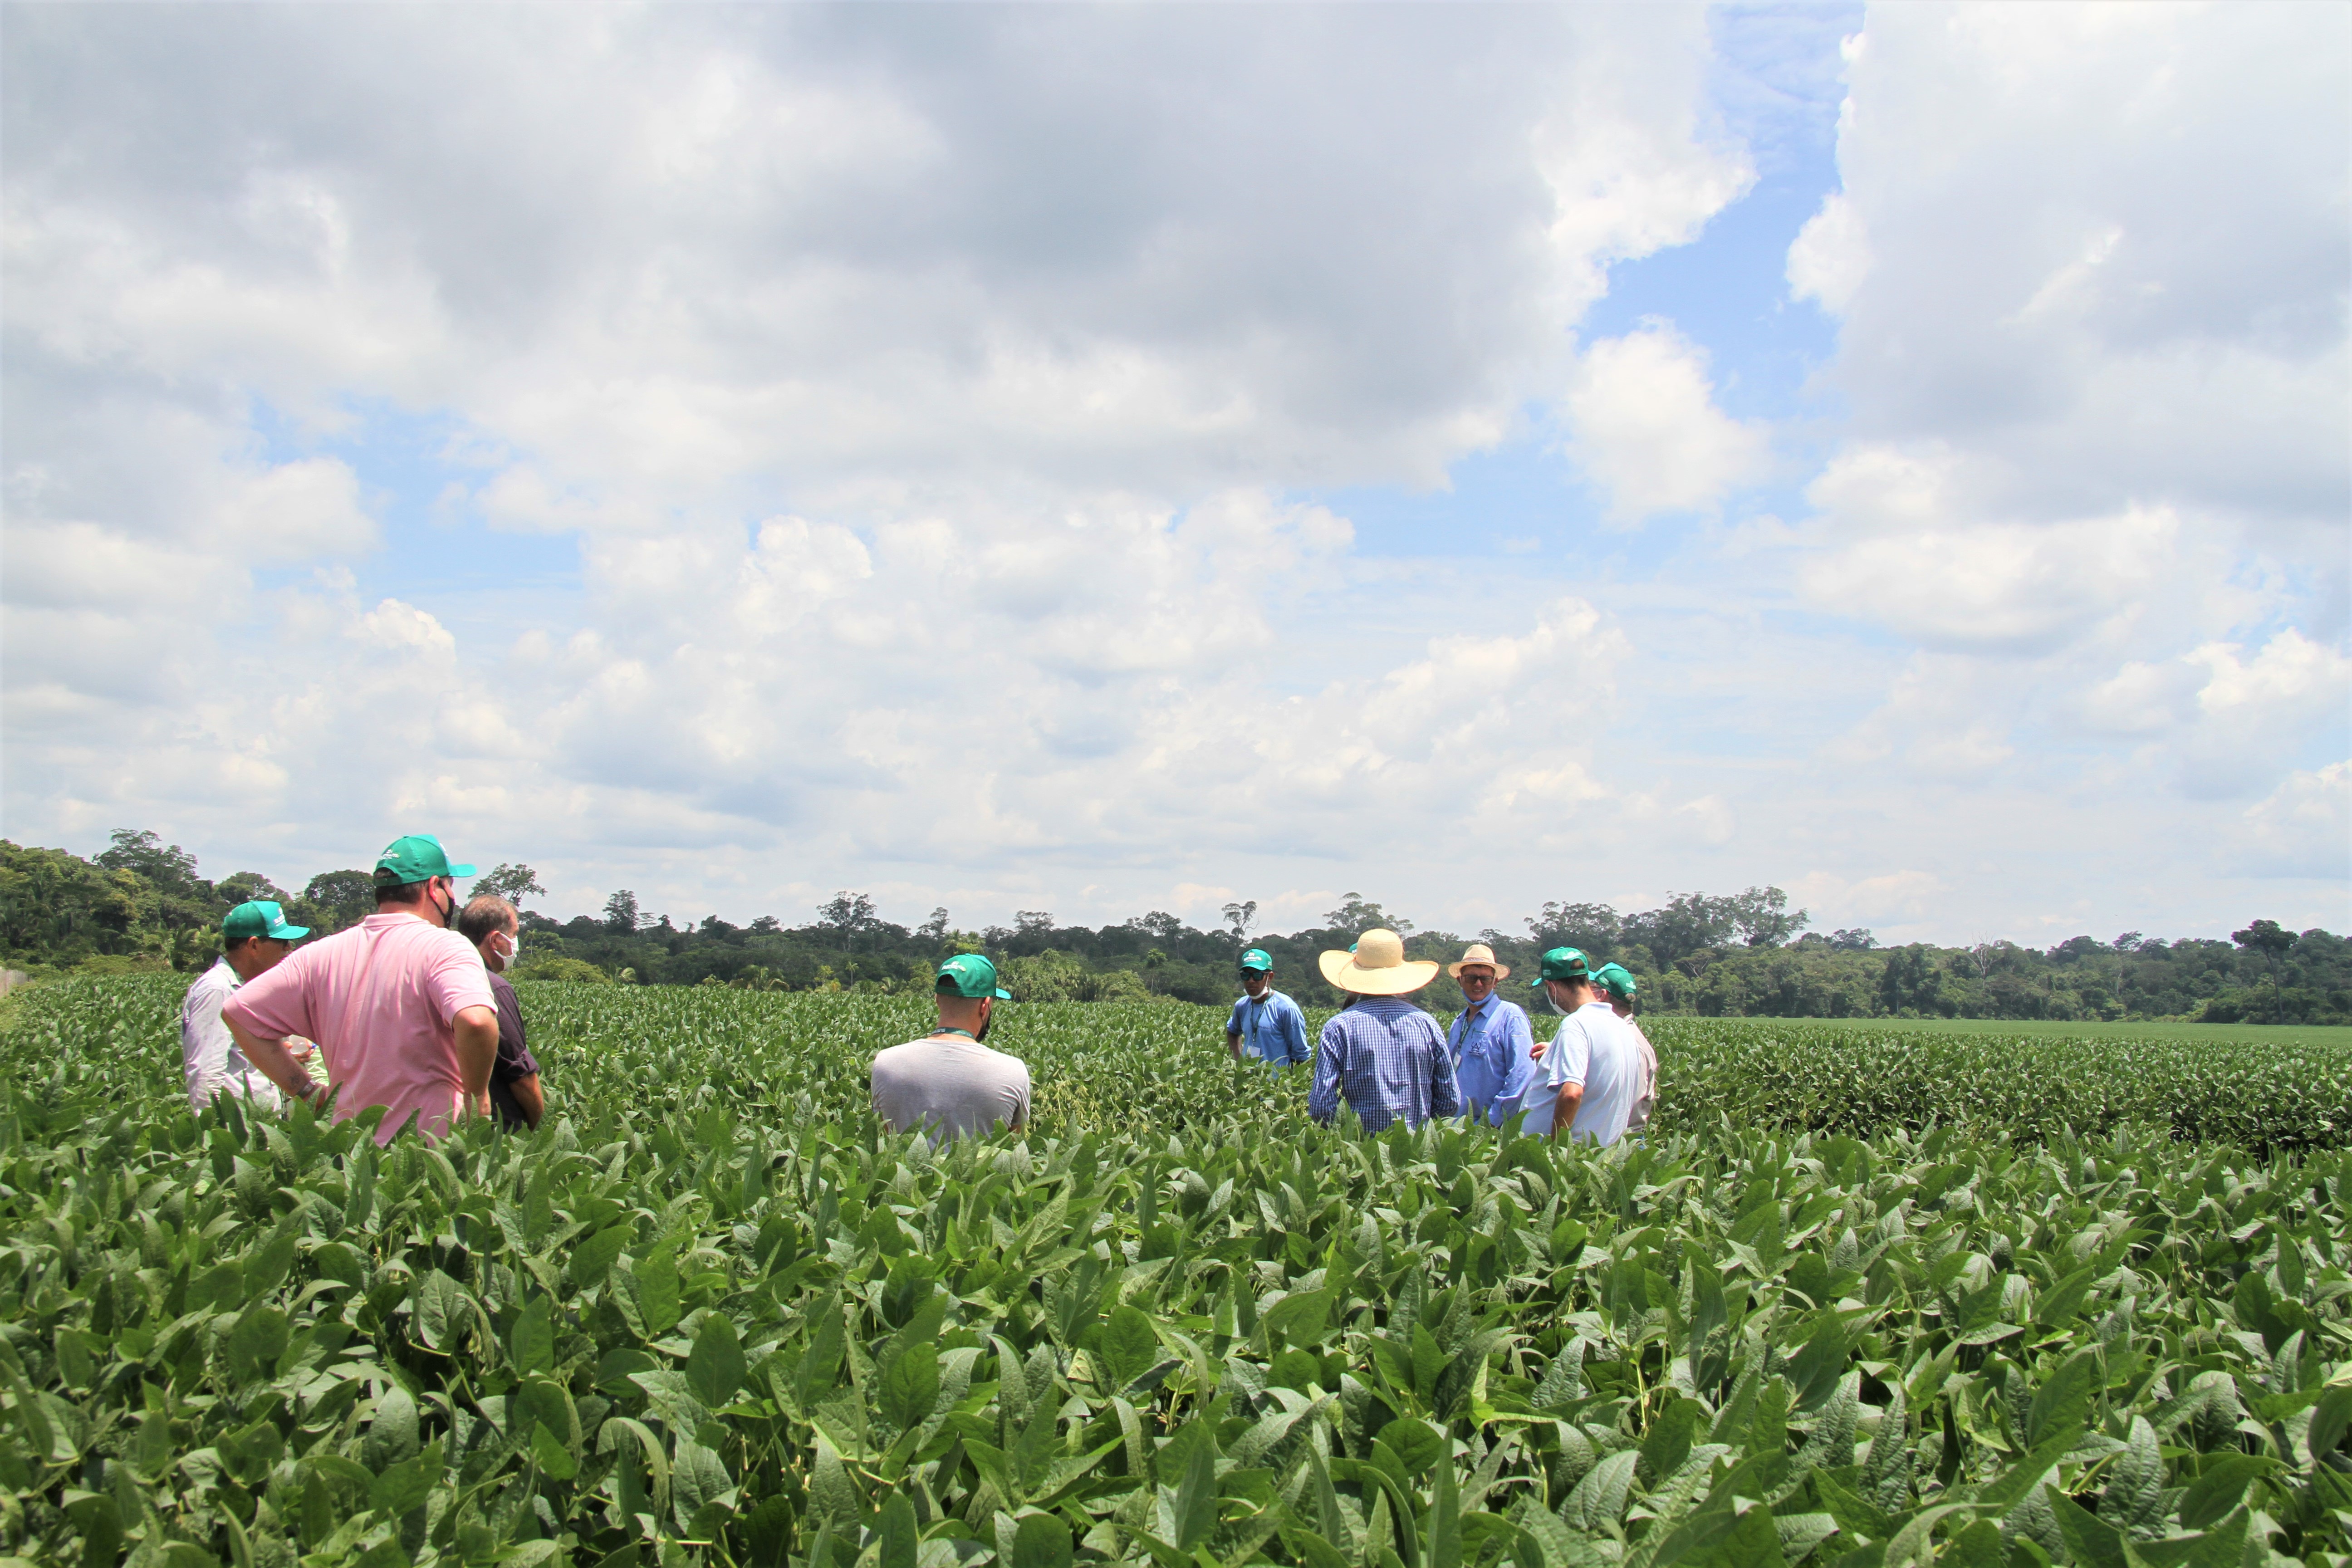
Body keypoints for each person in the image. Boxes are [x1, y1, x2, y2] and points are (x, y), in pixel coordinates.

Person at [222, 834, 500, 1144]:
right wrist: (478, 1098)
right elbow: (476, 1022)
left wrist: (306, 1090)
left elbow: (238, 1013)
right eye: (450, 886)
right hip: (427, 1151)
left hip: (351, 1151)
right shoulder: (446, 947)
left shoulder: (320, 953)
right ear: (434, 887)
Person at [1306, 929, 1460, 1133]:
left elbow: (1320, 1106)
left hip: (1360, 1151)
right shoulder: (1427, 1024)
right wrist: (1422, 1132)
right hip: (1417, 1154)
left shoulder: (1339, 1026)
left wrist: (1348, 1136)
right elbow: (1450, 1100)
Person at [870, 954, 1030, 1141]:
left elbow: (884, 1136)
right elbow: (1013, 1147)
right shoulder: (1013, 1071)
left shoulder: (886, 1063)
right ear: (985, 1006)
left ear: (937, 999)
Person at [181, 900, 314, 1113]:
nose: (289, 948)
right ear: (254, 945)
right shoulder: (217, 990)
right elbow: (206, 1073)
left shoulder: (252, 986)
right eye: (282, 941)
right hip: (238, 1130)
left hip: (260, 1126)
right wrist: (216, 1133)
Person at [1519, 947, 1640, 1145]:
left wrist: (1556, 1149)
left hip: (1570, 1157)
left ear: (1552, 987)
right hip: (1600, 1152)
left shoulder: (1576, 1024)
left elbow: (1572, 1093)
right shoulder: (1620, 1025)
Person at [458, 894, 544, 1130]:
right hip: (496, 1131)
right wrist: (541, 1129)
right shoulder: (494, 987)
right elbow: (521, 1075)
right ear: (496, 941)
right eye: (515, 935)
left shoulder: (443, 977)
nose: (516, 943)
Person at [1445, 942, 1536, 1127]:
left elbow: (1522, 1074)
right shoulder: (1459, 1022)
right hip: (1456, 1125)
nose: (1478, 984)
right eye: (1471, 978)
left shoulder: (1511, 1016)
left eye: (1485, 979)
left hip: (1490, 1128)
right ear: (1459, 980)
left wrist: (1492, 1122)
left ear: (1495, 982)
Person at [1594, 962, 1656, 1137]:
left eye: (1593, 989)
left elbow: (1624, 1105)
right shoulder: (1624, 1034)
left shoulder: (1627, 1041)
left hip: (1623, 1141)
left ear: (1602, 995)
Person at [1225, 947, 1310, 1068]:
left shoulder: (1286, 1008)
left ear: (1270, 977)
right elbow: (1233, 1032)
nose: (1251, 981)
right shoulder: (1242, 1005)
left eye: (1257, 976)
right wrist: (1239, 1061)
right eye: (1245, 976)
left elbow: (1301, 1056)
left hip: (1277, 1084)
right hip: (1248, 1082)